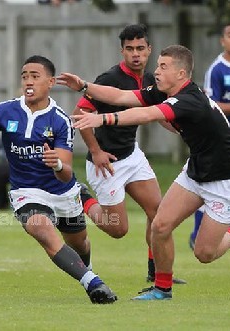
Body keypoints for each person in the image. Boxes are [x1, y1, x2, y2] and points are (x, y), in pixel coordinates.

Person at [57, 44, 230, 300]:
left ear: (181, 74)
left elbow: (148, 114)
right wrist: (85, 85)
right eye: (157, 65)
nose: (156, 71)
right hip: (196, 169)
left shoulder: (189, 99)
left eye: (163, 67)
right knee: (161, 225)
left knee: (204, 253)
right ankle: (162, 289)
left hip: (226, 178)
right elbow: (122, 97)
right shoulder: (164, 91)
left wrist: (103, 119)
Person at [0, 55, 117, 304]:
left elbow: (66, 171)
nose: (28, 81)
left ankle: (86, 271)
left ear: (50, 82)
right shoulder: (5, 111)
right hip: (25, 191)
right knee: (42, 230)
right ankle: (94, 283)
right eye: (25, 75)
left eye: (35, 76)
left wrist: (57, 164)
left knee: (79, 243)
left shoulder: (59, 120)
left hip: (62, 192)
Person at [72, 24, 185, 284]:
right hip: (106, 162)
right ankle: (83, 197)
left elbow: (158, 113)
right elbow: (80, 114)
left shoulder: (152, 79)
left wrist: (182, 129)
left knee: (158, 213)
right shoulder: (109, 79)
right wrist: (96, 151)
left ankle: (155, 270)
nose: (136, 54)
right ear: (122, 51)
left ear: (149, 50)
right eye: (130, 49)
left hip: (132, 156)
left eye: (141, 49)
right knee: (118, 229)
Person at [189, 22, 230, 250]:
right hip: (226, 141)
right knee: (211, 187)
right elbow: (211, 106)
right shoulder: (217, 70)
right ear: (222, 40)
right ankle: (198, 234)